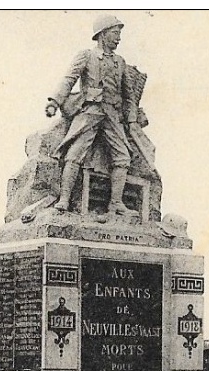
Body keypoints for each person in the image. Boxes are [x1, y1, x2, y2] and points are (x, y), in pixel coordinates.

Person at [45, 15, 140, 219]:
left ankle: (116, 204)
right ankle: (64, 199)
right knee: (74, 153)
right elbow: (69, 79)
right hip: (90, 111)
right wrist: (54, 101)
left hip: (112, 115)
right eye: (115, 34)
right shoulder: (86, 56)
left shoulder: (120, 62)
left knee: (123, 156)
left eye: (119, 34)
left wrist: (132, 120)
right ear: (103, 34)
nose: (118, 39)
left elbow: (129, 95)